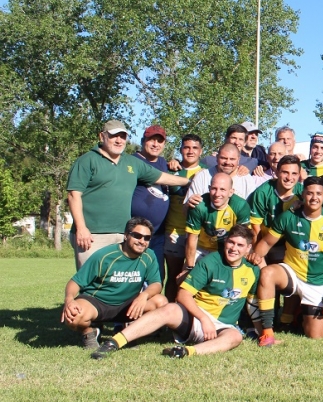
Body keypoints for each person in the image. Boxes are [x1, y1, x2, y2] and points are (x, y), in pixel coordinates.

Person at [90, 224, 260, 360]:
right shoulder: (210, 262)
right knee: (170, 308)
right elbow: (183, 295)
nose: (233, 248)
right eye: (231, 242)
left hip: (222, 327)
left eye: (240, 245)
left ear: (248, 249)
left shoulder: (253, 270)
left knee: (235, 337)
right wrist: (203, 319)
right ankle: (114, 342)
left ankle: (185, 352)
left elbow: (253, 304)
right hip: (195, 319)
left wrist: (265, 333)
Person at [67, 119, 194, 269]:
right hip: (93, 235)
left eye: (123, 136)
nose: (119, 140)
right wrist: (81, 229)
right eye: (114, 136)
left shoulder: (130, 162)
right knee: (90, 283)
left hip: (122, 235)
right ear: (102, 137)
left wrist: (191, 181)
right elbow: (73, 195)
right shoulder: (87, 160)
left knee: (117, 285)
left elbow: (162, 177)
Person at [251, 177, 323, 343]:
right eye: (309, 193)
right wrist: (254, 257)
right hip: (291, 274)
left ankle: (297, 317)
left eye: (318, 193)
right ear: (302, 194)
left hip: (317, 282)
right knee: (267, 273)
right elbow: (266, 242)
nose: (314, 197)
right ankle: (267, 332)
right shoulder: (288, 217)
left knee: (316, 336)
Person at [61, 217, 168, 348]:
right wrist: (69, 300)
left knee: (161, 303)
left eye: (147, 238)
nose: (142, 241)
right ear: (126, 235)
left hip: (128, 304)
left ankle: (129, 333)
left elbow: (156, 284)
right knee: (73, 316)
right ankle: (89, 332)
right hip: (98, 302)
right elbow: (75, 282)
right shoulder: (105, 256)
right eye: (137, 236)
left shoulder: (149, 256)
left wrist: (143, 296)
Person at [182, 173, 251, 275]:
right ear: (209, 188)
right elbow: (192, 239)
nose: (217, 194)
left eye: (222, 189)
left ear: (231, 192)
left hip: (228, 250)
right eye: (214, 188)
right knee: (184, 280)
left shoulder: (241, 205)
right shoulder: (198, 205)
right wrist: (189, 267)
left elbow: (243, 238)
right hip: (201, 249)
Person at [163, 134, 204, 300]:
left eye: (195, 148)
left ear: (201, 151)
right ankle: (169, 315)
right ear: (181, 150)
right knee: (174, 275)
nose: (190, 151)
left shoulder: (206, 173)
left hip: (197, 235)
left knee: (192, 277)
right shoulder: (171, 170)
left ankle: (187, 316)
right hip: (174, 232)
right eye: (186, 147)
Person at [130, 125, 172, 277]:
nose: (155, 144)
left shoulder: (163, 163)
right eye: (151, 140)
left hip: (158, 235)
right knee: (133, 276)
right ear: (143, 141)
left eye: (159, 141)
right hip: (136, 234)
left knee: (157, 276)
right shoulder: (132, 161)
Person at [247, 154, 302, 261]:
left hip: (290, 244)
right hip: (264, 241)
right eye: (285, 172)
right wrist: (259, 253)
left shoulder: (303, 192)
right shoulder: (263, 192)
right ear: (276, 173)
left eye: (294, 173)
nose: (289, 178)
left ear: (299, 175)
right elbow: (255, 227)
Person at [185, 143, 256, 202]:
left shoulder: (247, 180)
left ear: (238, 160)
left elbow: (252, 213)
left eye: (232, 159)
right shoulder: (203, 177)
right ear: (217, 158)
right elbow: (186, 209)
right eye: (223, 158)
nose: (228, 162)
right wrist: (189, 205)